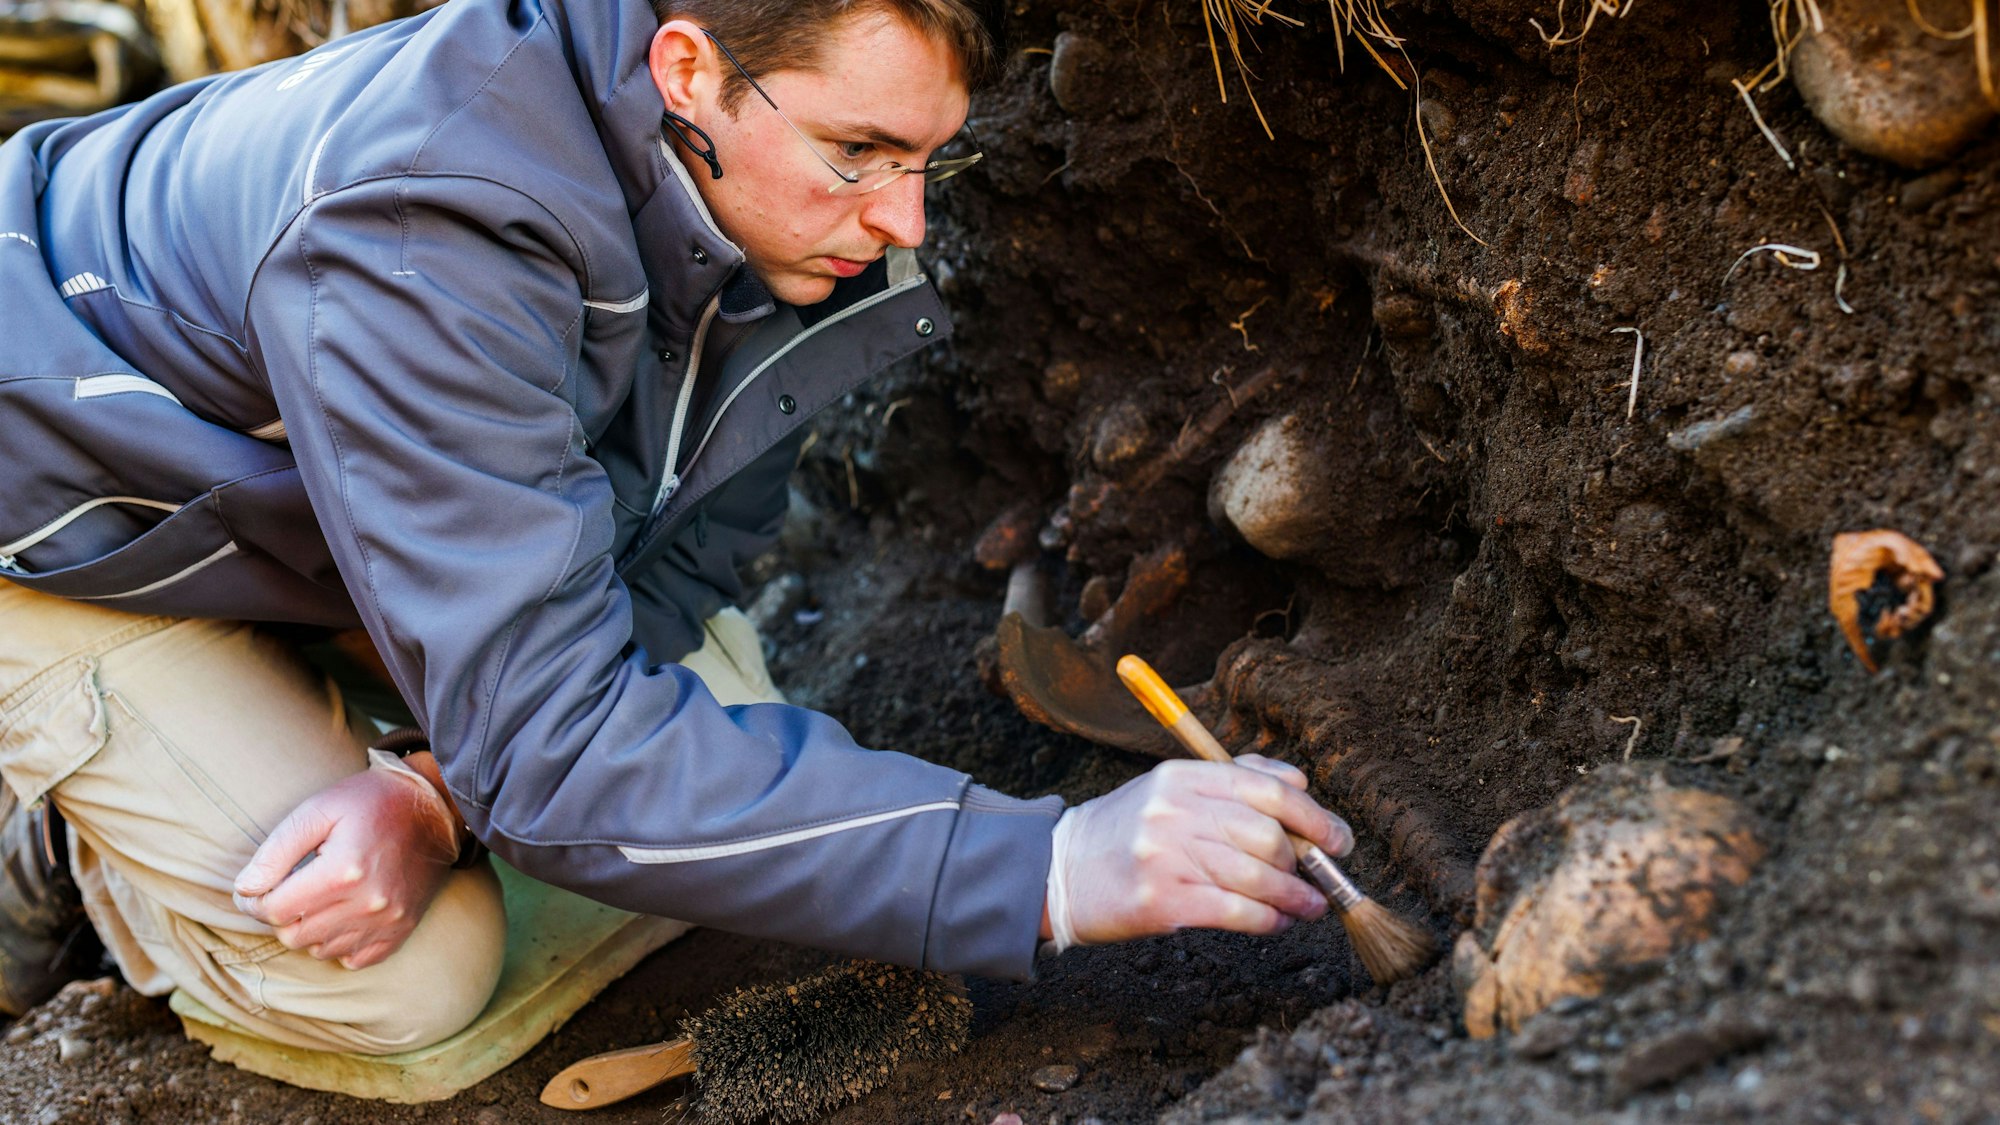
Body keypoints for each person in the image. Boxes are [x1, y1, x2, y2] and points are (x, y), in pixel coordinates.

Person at [0, 0, 1352, 1054]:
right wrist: (1053, 861)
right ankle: (74, 837)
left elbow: (680, 554)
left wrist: (429, 784)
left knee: (721, 695)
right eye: (859, 154)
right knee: (414, 975)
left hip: (289, 492)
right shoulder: (427, 229)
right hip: (72, 518)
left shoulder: (766, 200)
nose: (904, 221)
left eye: (927, 157)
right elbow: (557, 752)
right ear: (689, 71)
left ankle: (280, 723)